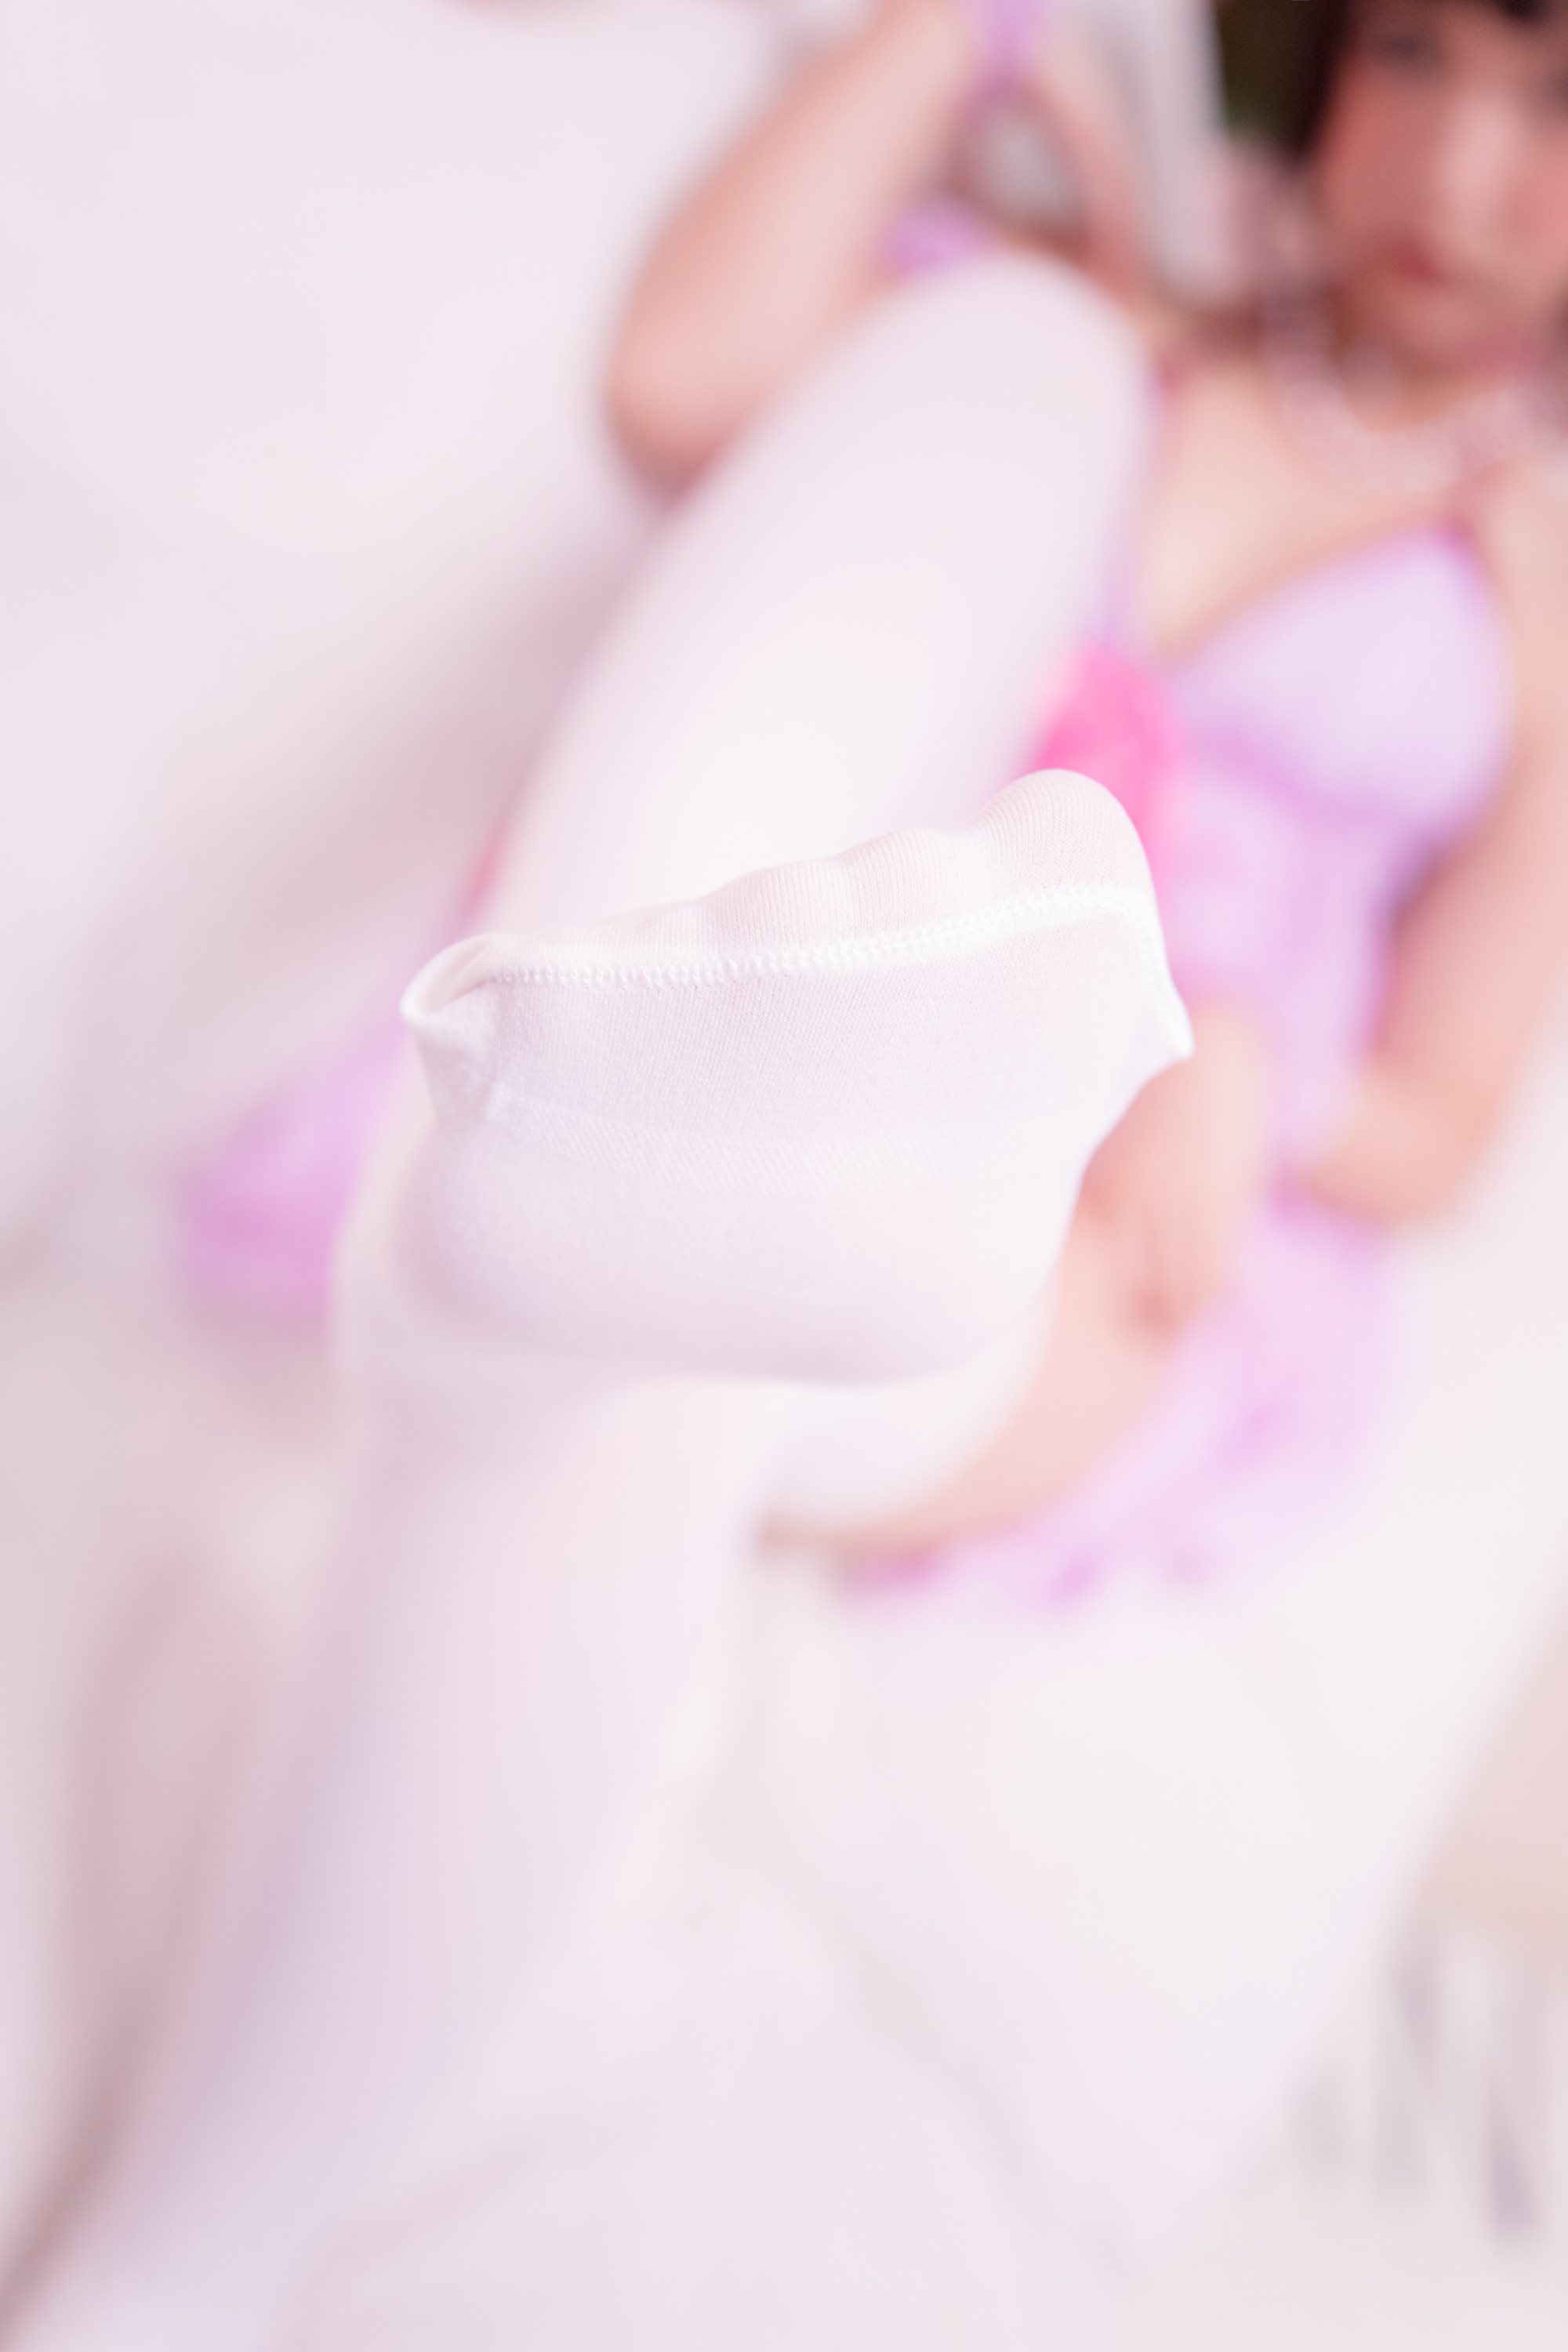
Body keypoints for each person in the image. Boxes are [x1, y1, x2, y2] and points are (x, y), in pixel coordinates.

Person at [611, 0, 1568, 1584]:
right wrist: (975, 27)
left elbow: (1442, 1127)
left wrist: (1241, 1060)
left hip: (1151, 1177)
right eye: (1411, 55)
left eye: (1554, 102)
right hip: (855, 996)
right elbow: (679, 377)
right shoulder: (1109, 333)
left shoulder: (1534, 612)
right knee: (623, 1300)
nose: (1455, 169)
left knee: (736, 1398)